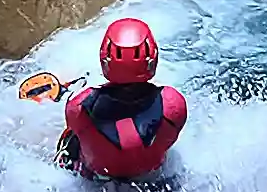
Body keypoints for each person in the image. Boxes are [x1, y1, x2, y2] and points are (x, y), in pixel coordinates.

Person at [59, 18, 187, 180]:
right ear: (152, 59)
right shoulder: (173, 102)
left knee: (71, 135)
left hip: (95, 183)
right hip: (152, 180)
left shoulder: (79, 105)